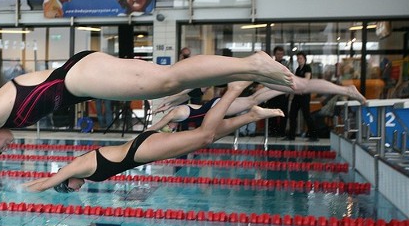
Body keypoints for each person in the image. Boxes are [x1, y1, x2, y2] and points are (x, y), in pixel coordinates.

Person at [0, 50, 295, 216]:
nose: (3, 149)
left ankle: (251, 65)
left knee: (164, 79)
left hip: (76, 76)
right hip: (81, 84)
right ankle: (244, 73)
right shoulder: (0, 127)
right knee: (160, 84)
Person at [23, 81, 283, 193]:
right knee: (206, 138)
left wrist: (26, 190)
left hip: (140, 151)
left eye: (70, 189)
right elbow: (51, 181)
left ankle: (232, 91)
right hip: (140, 147)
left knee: (203, 136)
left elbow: (48, 182)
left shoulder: (77, 166)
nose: (75, 190)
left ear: (69, 181)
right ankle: (252, 116)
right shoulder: (82, 171)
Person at [150, 76, 365, 133]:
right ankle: (344, 90)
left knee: (257, 98)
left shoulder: (175, 114)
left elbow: (154, 127)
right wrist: (166, 102)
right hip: (217, 105)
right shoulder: (178, 110)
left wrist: (141, 136)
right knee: (294, 87)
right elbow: (186, 90)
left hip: (219, 106)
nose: (170, 128)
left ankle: (345, 90)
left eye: (169, 128)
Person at [285, 52, 316, 141]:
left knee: (306, 115)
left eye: (301, 58)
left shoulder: (307, 67)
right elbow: (295, 82)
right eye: (298, 58)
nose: (299, 60)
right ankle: (291, 136)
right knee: (292, 115)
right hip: (297, 95)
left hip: (304, 95)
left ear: (304, 59)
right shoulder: (298, 69)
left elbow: (306, 79)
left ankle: (313, 136)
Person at [266, 46, 290, 136]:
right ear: (275, 54)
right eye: (278, 54)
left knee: (283, 113)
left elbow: (289, 77)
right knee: (272, 112)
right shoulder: (271, 64)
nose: (280, 55)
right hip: (272, 91)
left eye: (281, 54)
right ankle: (273, 131)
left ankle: (282, 131)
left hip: (283, 92)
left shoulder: (286, 64)